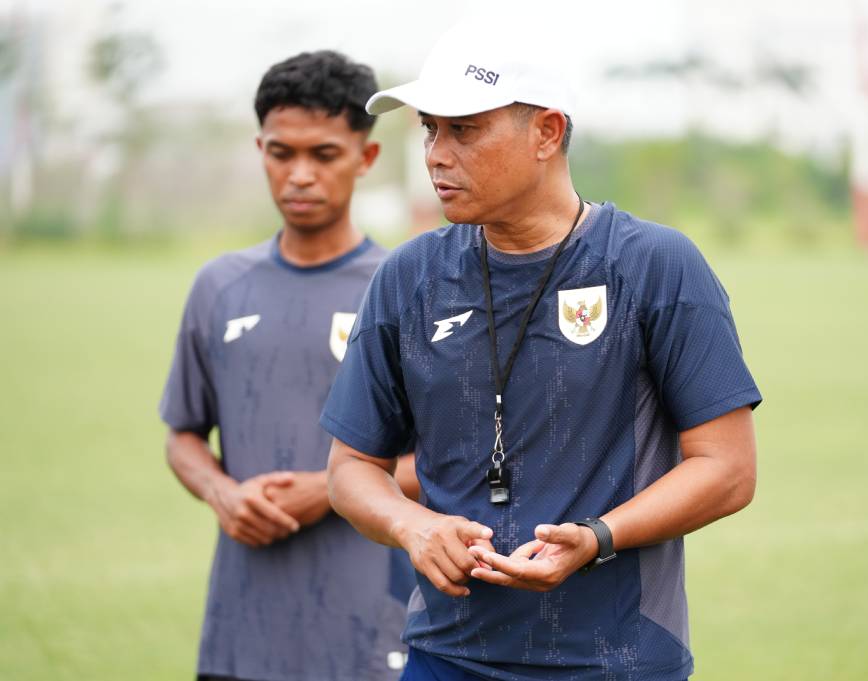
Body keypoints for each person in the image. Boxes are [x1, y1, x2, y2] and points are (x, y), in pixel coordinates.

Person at [320, 22, 761, 681]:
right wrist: (413, 527)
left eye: (463, 130)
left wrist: (596, 536)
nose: (437, 155)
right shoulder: (408, 278)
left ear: (547, 133)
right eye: (429, 130)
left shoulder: (653, 266)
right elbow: (350, 467)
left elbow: (728, 469)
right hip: (446, 656)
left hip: (618, 658)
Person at [159, 50, 417, 681]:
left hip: (372, 634)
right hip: (241, 638)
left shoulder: (408, 288)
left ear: (366, 157)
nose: (299, 174)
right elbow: (184, 434)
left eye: (323, 154)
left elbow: (443, 458)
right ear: (260, 150)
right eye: (281, 153)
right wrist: (223, 492)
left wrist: (331, 489)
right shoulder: (219, 287)